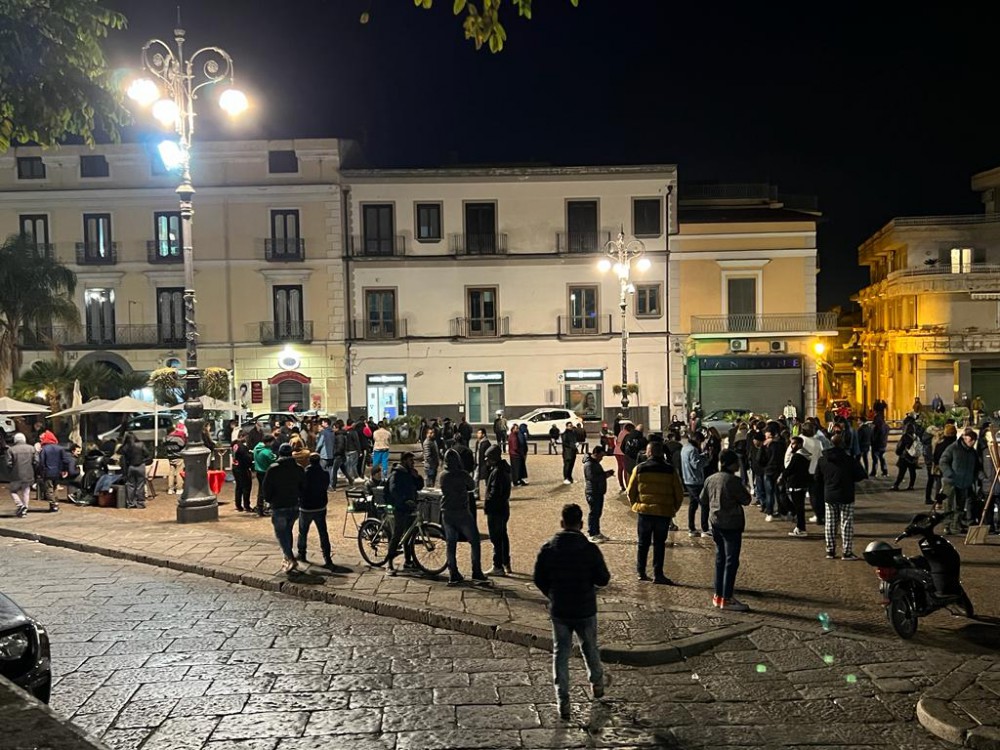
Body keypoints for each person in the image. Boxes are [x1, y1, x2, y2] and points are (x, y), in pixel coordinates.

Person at [533, 503, 611, 720]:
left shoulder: (548, 548)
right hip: (585, 607)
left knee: (561, 653)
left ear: (562, 523)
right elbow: (603, 578)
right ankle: (597, 683)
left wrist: (552, 594)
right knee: (589, 647)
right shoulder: (590, 549)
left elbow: (539, 578)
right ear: (581, 524)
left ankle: (563, 700)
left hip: (560, 608)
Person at [626, 441, 685, 584]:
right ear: (661, 453)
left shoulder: (639, 469)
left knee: (643, 543)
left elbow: (630, 491)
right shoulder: (670, 470)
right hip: (663, 513)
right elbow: (679, 493)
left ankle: (641, 572)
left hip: (644, 512)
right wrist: (672, 509)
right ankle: (658, 574)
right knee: (659, 544)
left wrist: (636, 505)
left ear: (648, 453)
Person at [703, 449, 752, 611]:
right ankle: (727, 597)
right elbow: (746, 499)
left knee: (720, 559)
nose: (739, 464)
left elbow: (703, 498)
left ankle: (718, 595)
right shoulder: (733, 481)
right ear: (730, 464)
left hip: (715, 522)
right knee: (731, 561)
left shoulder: (711, 479)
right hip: (731, 523)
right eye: (736, 462)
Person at [814, 432, 867, 560]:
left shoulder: (822, 460)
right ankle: (847, 551)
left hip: (829, 494)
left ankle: (830, 550)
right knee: (846, 523)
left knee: (830, 523)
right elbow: (861, 475)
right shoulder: (849, 460)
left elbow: (817, 478)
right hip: (846, 494)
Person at [439, 448, 486, 585]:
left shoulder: (443, 475)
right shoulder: (462, 474)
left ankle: (453, 573)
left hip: (446, 511)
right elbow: (471, 486)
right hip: (462, 511)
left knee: (451, 543)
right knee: (474, 541)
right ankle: (476, 571)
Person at [298, 453, 346, 571]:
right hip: (320, 506)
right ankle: (327, 557)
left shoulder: (304, 474)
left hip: (306, 507)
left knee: (303, 532)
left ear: (309, 461)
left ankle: (302, 553)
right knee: (323, 532)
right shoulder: (324, 473)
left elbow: (299, 488)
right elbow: (325, 486)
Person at [261, 443, 304, 573]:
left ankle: (290, 558)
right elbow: (303, 486)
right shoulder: (299, 468)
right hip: (294, 504)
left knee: (280, 533)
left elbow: (266, 488)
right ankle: (287, 557)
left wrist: (269, 500)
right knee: (288, 530)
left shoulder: (273, 469)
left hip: (279, 505)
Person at [385, 451, 424, 574]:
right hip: (400, 508)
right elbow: (393, 490)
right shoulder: (396, 474)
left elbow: (419, 487)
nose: (413, 463)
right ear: (404, 461)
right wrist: (404, 501)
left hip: (410, 507)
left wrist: (417, 477)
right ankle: (389, 564)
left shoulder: (409, 473)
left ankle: (408, 561)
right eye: (410, 460)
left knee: (409, 535)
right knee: (398, 533)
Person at [939, 428, 981, 535]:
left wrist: (975, 477)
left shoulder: (973, 452)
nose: (972, 443)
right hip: (951, 481)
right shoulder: (953, 448)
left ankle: (955, 525)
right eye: (970, 440)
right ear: (965, 438)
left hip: (965, 482)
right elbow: (943, 461)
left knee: (960, 506)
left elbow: (977, 466)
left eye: (974, 441)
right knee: (948, 504)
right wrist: (949, 474)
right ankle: (947, 525)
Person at [483, 445, 512, 576]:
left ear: (493, 458)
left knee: (496, 537)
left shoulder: (497, 472)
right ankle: (506, 562)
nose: (486, 460)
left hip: (496, 510)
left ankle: (498, 565)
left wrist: (488, 503)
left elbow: (494, 493)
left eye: (487, 458)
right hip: (503, 508)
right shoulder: (504, 469)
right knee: (503, 536)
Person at [780, 435, 812, 536]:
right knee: (799, 506)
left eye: (793, 444)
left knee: (798, 507)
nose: (791, 446)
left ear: (799, 444)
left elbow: (789, 469)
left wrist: (782, 477)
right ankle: (800, 527)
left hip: (796, 484)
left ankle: (800, 528)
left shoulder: (797, 457)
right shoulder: (805, 455)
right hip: (802, 483)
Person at [680, 432, 710, 537]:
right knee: (704, 504)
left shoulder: (685, 448)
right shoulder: (693, 450)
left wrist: (701, 455)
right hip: (695, 480)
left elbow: (692, 460)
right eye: (700, 441)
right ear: (697, 440)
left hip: (687, 479)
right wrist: (706, 459)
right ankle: (705, 529)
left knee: (693, 505)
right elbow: (696, 464)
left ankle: (691, 528)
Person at [38, 430, 76, 513]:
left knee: (49, 489)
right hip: (57, 472)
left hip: (47, 472)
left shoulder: (44, 449)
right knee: (55, 488)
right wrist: (64, 470)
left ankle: (53, 504)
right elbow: (65, 460)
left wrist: (40, 472)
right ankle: (55, 503)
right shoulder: (60, 448)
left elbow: (41, 462)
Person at [583, 444, 614, 542]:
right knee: (594, 513)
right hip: (593, 491)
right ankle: (592, 533)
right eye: (601, 456)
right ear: (596, 454)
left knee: (597, 513)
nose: (601, 458)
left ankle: (596, 532)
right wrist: (606, 475)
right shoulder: (589, 464)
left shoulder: (594, 463)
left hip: (598, 491)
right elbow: (592, 478)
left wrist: (605, 474)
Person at [758, 425, 786, 522]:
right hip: (779, 471)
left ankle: (769, 512)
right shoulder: (782, 444)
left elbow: (760, 459)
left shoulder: (765, 445)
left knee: (769, 493)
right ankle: (782, 511)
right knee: (779, 493)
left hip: (769, 471)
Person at [6, 433, 36, 517]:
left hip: (16, 474)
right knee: (26, 492)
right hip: (29, 473)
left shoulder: (11, 450)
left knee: (13, 491)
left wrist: (10, 471)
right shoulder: (31, 448)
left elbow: (9, 463)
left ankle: (20, 505)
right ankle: (25, 509)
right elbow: (36, 461)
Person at [253, 434, 278, 516]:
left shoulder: (256, 448)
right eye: (271, 442)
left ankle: (260, 508)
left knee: (261, 490)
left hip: (258, 472)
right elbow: (274, 462)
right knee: (267, 491)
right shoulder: (267, 452)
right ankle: (268, 508)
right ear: (268, 443)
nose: (272, 444)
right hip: (266, 473)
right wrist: (274, 456)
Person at [891, 422, 919, 491]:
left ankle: (896, 485)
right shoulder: (916, 437)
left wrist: (898, 452)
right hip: (913, 457)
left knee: (901, 472)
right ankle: (911, 485)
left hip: (905, 457)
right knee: (912, 472)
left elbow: (901, 446)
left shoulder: (905, 436)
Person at [231, 436, 254, 512]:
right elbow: (247, 458)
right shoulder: (242, 447)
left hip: (235, 467)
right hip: (243, 468)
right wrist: (251, 459)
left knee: (239, 487)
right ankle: (246, 506)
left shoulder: (235, 445)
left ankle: (238, 505)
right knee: (246, 487)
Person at [163, 426, 186, 495]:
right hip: (179, 457)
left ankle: (170, 489)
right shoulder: (177, 439)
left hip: (170, 457)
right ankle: (179, 488)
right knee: (179, 472)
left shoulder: (165, 439)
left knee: (171, 473)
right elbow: (183, 445)